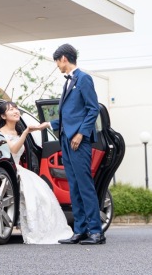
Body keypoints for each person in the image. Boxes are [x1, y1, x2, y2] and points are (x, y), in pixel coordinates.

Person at [38, 43, 105, 245]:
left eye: (57, 62)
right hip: (66, 140)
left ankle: (96, 232)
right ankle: (80, 230)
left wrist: (81, 134)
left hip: (79, 142)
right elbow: (71, 115)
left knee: (84, 185)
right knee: (74, 186)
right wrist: (49, 124)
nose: (57, 66)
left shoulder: (84, 79)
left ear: (64, 59)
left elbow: (93, 109)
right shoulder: (68, 82)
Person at [0, 101, 74, 244]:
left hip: (20, 169)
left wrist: (24, 132)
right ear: (3, 116)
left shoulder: (17, 131)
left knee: (43, 194)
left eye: (16, 108)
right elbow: (13, 150)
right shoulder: (0, 132)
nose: (16, 111)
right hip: (10, 169)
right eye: (11, 110)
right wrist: (26, 132)